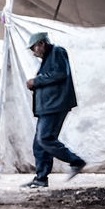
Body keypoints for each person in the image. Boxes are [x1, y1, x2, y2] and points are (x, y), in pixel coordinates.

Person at [24, 30, 87, 189]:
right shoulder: (47, 58)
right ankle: (40, 179)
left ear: (42, 44)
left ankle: (76, 161)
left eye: (34, 48)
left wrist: (36, 81)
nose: (33, 52)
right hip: (48, 106)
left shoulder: (58, 51)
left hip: (56, 105)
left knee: (45, 139)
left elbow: (60, 74)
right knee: (39, 144)